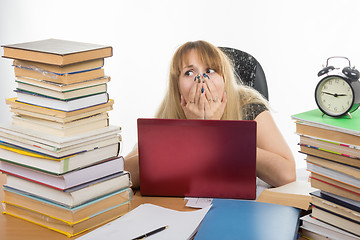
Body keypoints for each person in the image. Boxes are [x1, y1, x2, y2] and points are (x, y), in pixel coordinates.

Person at [125, 40, 296, 189]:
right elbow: (124, 173)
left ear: (224, 78)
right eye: (189, 73)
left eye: (210, 70)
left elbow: (286, 175)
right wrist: (192, 132)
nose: (201, 79)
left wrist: (218, 132)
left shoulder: (247, 104)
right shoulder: (171, 110)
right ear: (178, 88)